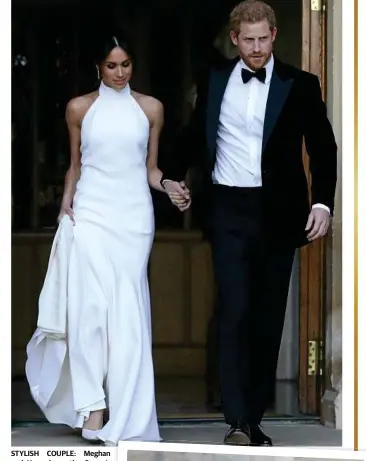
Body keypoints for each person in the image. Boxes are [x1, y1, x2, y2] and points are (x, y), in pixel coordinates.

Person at [161, 0, 337, 446]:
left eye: (263, 38)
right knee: (235, 310)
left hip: (278, 214)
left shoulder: (301, 84)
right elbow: (193, 134)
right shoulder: (216, 78)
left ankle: (252, 417)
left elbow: (323, 148)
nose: (256, 48)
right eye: (248, 39)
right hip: (228, 210)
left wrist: (322, 205)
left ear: (274, 35)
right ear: (234, 38)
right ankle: (237, 419)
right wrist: (170, 176)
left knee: (266, 315)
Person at [25, 30, 180, 446]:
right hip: (90, 214)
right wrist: (64, 210)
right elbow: (75, 165)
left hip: (133, 218)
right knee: (89, 311)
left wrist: (169, 187)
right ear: (98, 66)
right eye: (111, 65)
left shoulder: (151, 109)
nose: (119, 72)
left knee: (128, 315)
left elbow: (150, 169)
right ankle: (93, 406)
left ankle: (128, 411)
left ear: (133, 65)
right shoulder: (79, 108)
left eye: (125, 64)